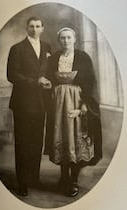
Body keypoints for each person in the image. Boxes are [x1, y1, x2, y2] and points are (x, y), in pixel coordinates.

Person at [43, 27, 102, 197]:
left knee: (75, 139)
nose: (66, 41)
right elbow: (48, 78)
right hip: (58, 105)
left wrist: (83, 107)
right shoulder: (54, 58)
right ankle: (63, 178)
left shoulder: (83, 57)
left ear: (74, 39)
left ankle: (74, 179)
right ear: (59, 40)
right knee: (61, 138)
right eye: (62, 38)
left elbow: (91, 84)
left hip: (76, 102)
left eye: (69, 37)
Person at [7, 17, 51, 196]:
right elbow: (12, 75)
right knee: (23, 142)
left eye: (38, 26)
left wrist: (49, 82)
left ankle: (34, 178)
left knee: (36, 142)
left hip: (41, 103)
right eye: (31, 26)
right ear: (27, 28)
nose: (34, 29)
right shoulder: (17, 49)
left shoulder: (47, 47)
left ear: (42, 28)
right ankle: (22, 182)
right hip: (23, 103)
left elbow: (49, 71)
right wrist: (36, 81)